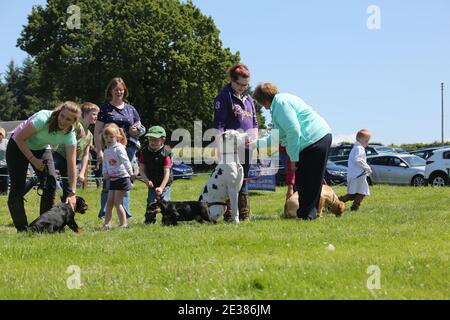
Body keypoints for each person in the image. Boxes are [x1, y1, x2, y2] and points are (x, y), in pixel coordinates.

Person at [252, 83, 332, 221]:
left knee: (309, 181)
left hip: (314, 140)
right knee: (303, 181)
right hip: (312, 141)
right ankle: (307, 215)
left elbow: (293, 131)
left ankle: (307, 216)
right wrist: (254, 144)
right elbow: (277, 137)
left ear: (263, 100)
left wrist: (293, 159)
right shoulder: (279, 104)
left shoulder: (281, 104)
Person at [6, 102, 80, 232]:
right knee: (17, 187)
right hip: (17, 145)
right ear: (59, 112)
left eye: (68, 119)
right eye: (62, 116)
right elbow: (19, 139)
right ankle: (23, 229)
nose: (63, 121)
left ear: (73, 121)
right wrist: (33, 160)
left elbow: (71, 164)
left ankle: (43, 227)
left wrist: (72, 193)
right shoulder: (43, 118)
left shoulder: (70, 135)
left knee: (50, 183)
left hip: (40, 148)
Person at [94, 77, 145, 219]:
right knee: (108, 180)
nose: (119, 92)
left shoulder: (131, 109)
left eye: (121, 90)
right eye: (116, 90)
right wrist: (99, 151)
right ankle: (104, 214)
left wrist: (137, 130)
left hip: (128, 149)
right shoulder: (105, 109)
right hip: (110, 150)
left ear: (125, 91)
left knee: (125, 180)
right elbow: (97, 132)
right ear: (111, 91)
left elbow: (140, 127)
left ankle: (126, 214)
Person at [26, 102, 99, 201]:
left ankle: (65, 208)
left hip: (73, 161)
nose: (96, 117)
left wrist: (82, 172)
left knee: (68, 187)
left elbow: (86, 155)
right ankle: (26, 188)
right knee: (46, 174)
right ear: (85, 114)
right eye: (94, 114)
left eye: (97, 115)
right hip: (59, 155)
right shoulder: (75, 125)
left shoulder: (90, 135)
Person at [213, 63, 258, 221]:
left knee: (243, 178)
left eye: (246, 85)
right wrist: (219, 146)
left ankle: (244, 214)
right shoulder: (223, 97)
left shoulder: (249, 99)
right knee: (230, 180)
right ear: (232, 80)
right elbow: (219, 124)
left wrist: (255, 141)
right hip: (230, 148)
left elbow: (254, 123)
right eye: (240, 84)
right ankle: (229, 214)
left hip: (247, 148)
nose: (242, 88)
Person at [101, 124, 134, 230]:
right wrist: (104, 172)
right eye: (106, 137)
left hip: (122, 178)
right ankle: (107, 224)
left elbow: (125, 160)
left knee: (117, 202)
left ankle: (123, 224)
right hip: (112, 179)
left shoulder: (119, 148)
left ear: (117, 137)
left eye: (111, 137)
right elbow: (105, 163)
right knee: (109, 202)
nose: (108, 139)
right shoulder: (106, 150)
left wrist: (130, 171)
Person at [138, 126, 173, 224]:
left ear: (163, 139)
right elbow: (141, 169)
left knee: (165, 202)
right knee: (151, 202)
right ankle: (149, 221)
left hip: (165, 183)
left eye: (155, 140)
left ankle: (167, 221)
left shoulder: (166, 154)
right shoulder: (144, 152)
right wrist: (146, 180)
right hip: (152, 183)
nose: (152, 142)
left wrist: (161, 187)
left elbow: (167, 173)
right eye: (150, 139)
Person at [339, 129, 372, 211]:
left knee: (355, 193)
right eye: (366, 141)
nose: (367, 143)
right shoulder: (359, 148)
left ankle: (338, 203)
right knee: (361, 192)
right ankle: (351, 206)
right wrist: (367, 168)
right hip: (357, 176)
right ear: (360, 140)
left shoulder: (355, 148)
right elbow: (358, 160)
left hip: (355, 175)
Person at [0, 127, 9, 195]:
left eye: (0, 134)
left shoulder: (6, 141)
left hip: (5, 165)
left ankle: (5, 192)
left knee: (5, 181)